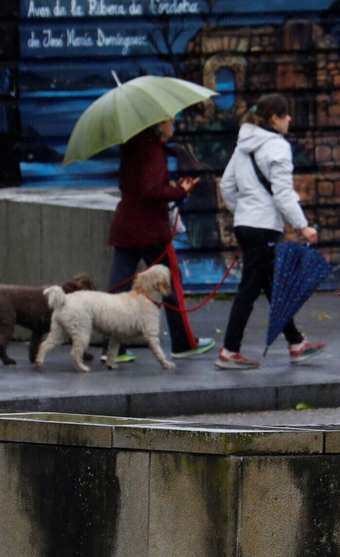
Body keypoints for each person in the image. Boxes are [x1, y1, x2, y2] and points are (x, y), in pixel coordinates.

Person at [215, 93, 326, 370]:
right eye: (286, 113)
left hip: (246, 225)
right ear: (274, 118)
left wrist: (242, 212)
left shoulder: (243, 144)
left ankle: (296, 343)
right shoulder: (277, 146)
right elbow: (283, 193)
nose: (289, 118)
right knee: (249, 289)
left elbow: (227, 186)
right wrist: (303, 226)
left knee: (270, 285)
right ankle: (229, 350)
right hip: (263, 228)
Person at [108, 119, 214, 358]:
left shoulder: (132, 147)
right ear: (158, 125)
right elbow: (151, 191)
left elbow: (140, 186)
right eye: (169, 120)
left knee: (118, 286)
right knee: (170, 284)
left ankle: (112, 348)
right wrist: (180, 191)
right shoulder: (153, 150)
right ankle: (183, 343)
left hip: (126, 225)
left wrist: (169, 187)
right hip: (149, 230)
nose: (174, 123)